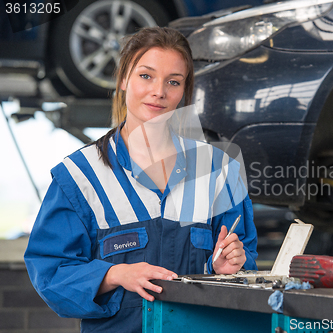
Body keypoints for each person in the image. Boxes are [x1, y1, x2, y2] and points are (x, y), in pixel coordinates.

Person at [24, 27, 258, 332]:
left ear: (184, 92)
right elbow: (51, 271)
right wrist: (116, 275)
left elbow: (247, 266)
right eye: (146, 76)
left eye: (173, 82)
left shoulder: (218, 171)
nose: (158, 91)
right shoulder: (81, 177)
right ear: (123, 79)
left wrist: (226, 271)